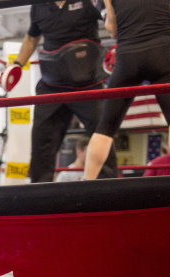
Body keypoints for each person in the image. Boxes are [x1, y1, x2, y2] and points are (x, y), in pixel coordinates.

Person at [7, 0, 117, 182]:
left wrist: (120, 42)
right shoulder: (39, 5)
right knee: (41, 145)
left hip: (87, 85)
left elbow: (113, 21)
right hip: (52, 87)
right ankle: (41, 197)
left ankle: (109, 190)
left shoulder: (89, 1)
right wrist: (17, 65)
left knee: (102, 135)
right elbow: (31, 38)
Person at [85, 0, 170, 178]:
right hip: (163, 50)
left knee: (106, 127)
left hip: (128, 55)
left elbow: (113, 30)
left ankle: (85, 183)